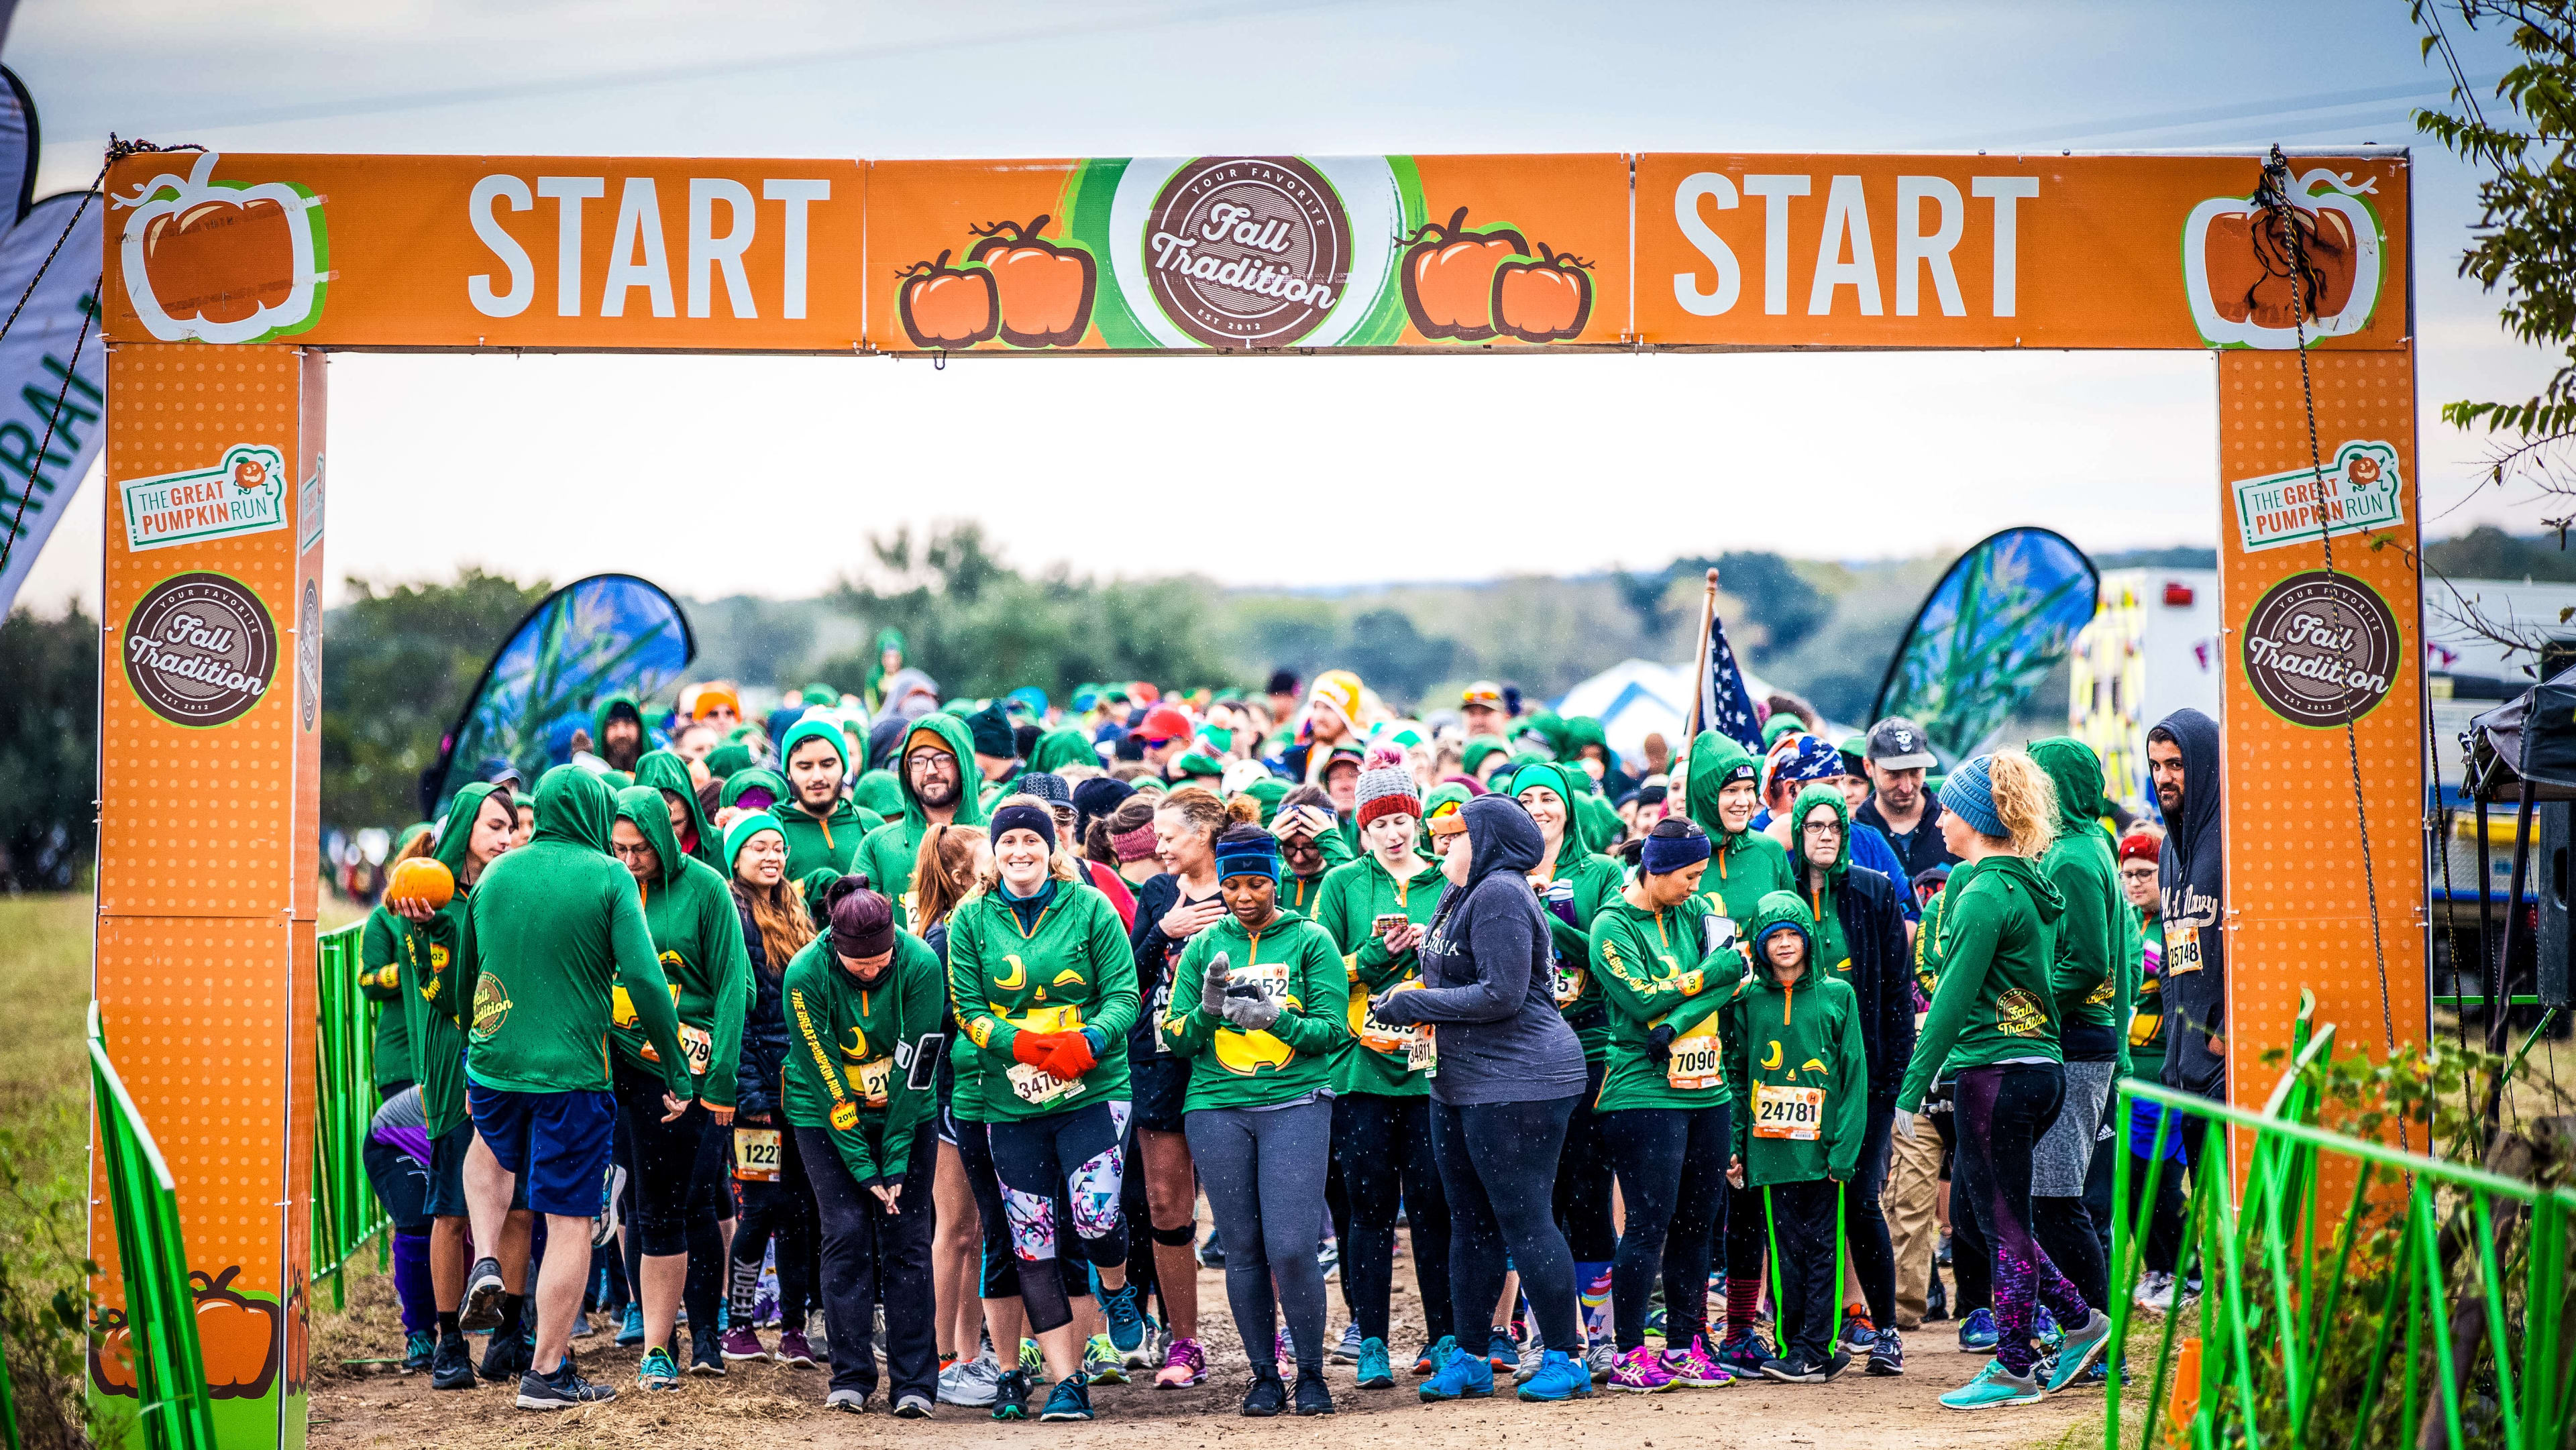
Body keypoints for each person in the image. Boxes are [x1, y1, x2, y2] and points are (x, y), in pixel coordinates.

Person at [453, 767, 695, 1411]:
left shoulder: (497, 874)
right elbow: (645, 981)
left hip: (493, 1060)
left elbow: (464, 978)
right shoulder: (609, 876)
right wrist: (675, 1065)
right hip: (573, 1074)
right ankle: (548, 1371)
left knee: (490, 1154)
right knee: (569, 1221)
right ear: (594, 812)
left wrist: (477, 1034)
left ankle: (486, 1260)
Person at [1893, 752, 2114, 1410]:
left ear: (1979, 818)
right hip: (2041, 1065)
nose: (1938, 815)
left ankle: (2018, 1363)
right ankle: (2077, 1321)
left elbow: (1952, 1001)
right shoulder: (2029, 883)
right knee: (2003, 1220)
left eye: (1950, 807)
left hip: (1995, 1071)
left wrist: (1910, 1092)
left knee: (2001, 1222)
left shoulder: (1986, 892)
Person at [1368, 793, 1594, 1404]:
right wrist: (1415, 991)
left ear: (1487, 840)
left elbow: (1502, 994)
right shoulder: (1457, 892)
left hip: (1521, 1081)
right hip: (1462, 1080)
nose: (1442, 845)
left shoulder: (1500, 894)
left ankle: (1566, 1357)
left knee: (1525, 1220)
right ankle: (1469, 1354)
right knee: (1467, 1222)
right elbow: (1453, 976)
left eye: (1455, 835)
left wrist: (1413, 1003)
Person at [948, 797, 1145, 1423]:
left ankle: (1117, 1287)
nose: (1021, 852)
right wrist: (1023, 1045)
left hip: (1092, 1086)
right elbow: (967, 1009)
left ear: (1050, 848)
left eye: (1032, 841)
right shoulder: (970, 919)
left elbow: (1125, 993)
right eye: (1009, 843)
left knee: (1092, 1216)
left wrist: (1088, 1042)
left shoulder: (1089, 907)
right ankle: (1068, 1382)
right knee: (1031, 1243)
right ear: (995, 851)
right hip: (1012, 1099)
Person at [1159, 825, 1349, 1416]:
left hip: (1295, 1102)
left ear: (1277, 880)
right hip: (1216, 1106)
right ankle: (1263, 1375)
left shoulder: (1310, 940)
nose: (1245, 895)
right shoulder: (1201, 947)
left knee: (1291, 1246)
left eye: (1258, 882)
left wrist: (1276, 1021)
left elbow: (1333, 1031)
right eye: (1234, 883)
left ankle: (1312, 1373)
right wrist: (1207, 1010)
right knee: (1241, 1248)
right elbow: (1174, 1037)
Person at [1588, 816, 1748, 1392]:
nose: (1695, 885)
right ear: (1654, 869)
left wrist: (1681, 1015)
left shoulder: (1697, 910)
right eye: (1688, 875)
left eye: (1700, 874)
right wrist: (1705, 977)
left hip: (1709, 1088)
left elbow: (1740, 978)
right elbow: (1639, 1000)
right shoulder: (1612, 923)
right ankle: (1629, 1352)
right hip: (1642, 1088)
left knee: (1697, 1223)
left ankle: (1684, 1345)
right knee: (1649, 1224)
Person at [782, 881, 949, 1415]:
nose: (874, 972)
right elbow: (825, 1072)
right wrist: (863, 1165)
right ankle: (850, 1375)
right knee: (847, 1232)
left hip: (906, 1108)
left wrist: (895, 1161)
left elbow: (915, 1071)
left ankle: (916, 1385)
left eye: (882, 961)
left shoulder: (920, 963)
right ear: (836, 946)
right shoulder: (805, 974)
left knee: (907, 1238)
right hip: (825, 1113)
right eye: (862, 967)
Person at [1313, 759, 1451, 1386]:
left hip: (1431, 1071)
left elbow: (1475, 966)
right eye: (1379, 825)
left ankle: (1444, 1337)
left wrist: (1432, 953)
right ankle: (1370, 1341)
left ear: (1417, 819)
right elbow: (1318, 972)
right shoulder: (1343, 884)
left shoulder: (1446, 880)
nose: (1393, 834)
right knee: (1366, 1210)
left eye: (1401, 820)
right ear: (1361, 829)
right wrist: (1371, 956)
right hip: (1361, 1072)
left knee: (1433, 1206)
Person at [608, 785, 752, 1385]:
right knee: (649, 1207)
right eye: (618, 848)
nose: (629, 859)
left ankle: (709, 1337)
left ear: (665, 839)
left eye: (640, 848)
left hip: (700, 1073)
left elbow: (733, 984)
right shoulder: (610, 886)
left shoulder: (706, 888)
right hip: (634, 1072)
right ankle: (657, 1348)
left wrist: (716, 1082)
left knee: (701, 1200)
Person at [1781, 783, 1916, 1374]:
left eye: (1834, 825)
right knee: (1804, 1209)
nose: (1826, 836)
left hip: (1869, 1076)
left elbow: (1894, 991)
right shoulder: (1779, 895)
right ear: (1798, 834)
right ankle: (1814, 1341)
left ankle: (1885, 1330)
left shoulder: (1874, 892)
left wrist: (1893, 1080)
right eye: (1813, 826)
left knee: (1861, 1202)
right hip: (1796, 1079)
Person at [389, 783, 518, 1391]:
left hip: (514, 1062)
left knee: (519, 1204)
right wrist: (436, 935)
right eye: (494, 825)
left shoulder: (513, 885)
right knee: (450, 1208)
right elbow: (441, 996)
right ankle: (448, 1342)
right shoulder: (428, 900)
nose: (504, 836)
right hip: (454, 1067)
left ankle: (510, 1334)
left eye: (511, 826)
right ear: (466, 826)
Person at [1722, 891, 1868, 1384]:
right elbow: (1737, 1077)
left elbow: (1853, 1077)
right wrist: (1736, 1145)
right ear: (1760, 945)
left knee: (1825, 1249)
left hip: (1823, 1153)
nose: (1785, 944)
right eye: (1774, 937)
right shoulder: (1748, 1001)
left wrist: (1844, 1149)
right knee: (1784, 1254)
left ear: (1808, 938)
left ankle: (1816, 1347)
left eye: (1793, 935)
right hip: (1771, 1154)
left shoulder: (1837, 995)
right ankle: (1795, 1345)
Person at [1511, 759, 1625, 1372]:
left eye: (1549, 798)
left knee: (1587, 1195)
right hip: (1522, 1058)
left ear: (1569, 807)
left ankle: (1601, 1336)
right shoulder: (1496, 872)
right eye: (1525, 798)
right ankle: (1544, 1335)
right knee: (1538, 1201)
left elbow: (1607, 954)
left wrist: (1544, 915)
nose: (1538, 807)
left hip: (1591, 1048)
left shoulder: (1601, 873)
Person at [911, 824, 1026, 1411]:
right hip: (952, 1101)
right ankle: (938, 1361)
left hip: (980, 1095)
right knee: (954, 1230)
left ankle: (966, 1353)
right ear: (962, 877)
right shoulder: (941, 938)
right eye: (991, 861)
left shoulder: (976, 927)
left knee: (974, 1232)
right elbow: (930, 1034)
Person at [1122, 785, 1233, 1388]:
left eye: (1168, 835)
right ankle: (1183, 1342)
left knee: (1242, 1208)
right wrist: (1163, 930)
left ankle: (1270, 1337)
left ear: (1204, 834)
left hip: (1228, 1060)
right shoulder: (1158, 893)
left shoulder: (1240, 885)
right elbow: (1129, 976)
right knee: (1166, 1206)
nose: (1157, 846)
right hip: (1159, 1059)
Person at [2026, 739, 2130, 1333]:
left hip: (2074, 1042)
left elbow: (2089, 962)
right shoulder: (2092, 843)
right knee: (2058, 1197)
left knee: (2057, 1200)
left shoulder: (2070, 855)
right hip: (2086, 1040)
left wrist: (2029, 1008)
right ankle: (2084, 1325)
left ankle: (2092, 1331)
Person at [717, 813, 824, 1372]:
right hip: (755, 1093)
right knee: (760, 1207)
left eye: (778, 847)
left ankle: (795, 1329)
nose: (772, 856)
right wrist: (751, 1097)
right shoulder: (731, 914)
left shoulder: (795, 910)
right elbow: (740, 1016)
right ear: (735, 857)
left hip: (800, 1092)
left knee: (801, 1211)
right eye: (758, 847)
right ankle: (737, 1324)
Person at [2105, 828, 2190, 1310]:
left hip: (2164, 1074)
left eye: (2145, 874)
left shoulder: (2175, 925)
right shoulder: (2133, 923)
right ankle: (2159, 1269)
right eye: (2128, 874)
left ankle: (2185, 1271)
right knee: (2135, 1178)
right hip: (2133, 1076)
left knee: (2159, 1176)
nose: (2135, 883)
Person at [2149, 708, 2224, 1139]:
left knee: (2228, 1205)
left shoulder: (2234, 840)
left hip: (2223, 1075)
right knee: (2201, 1204)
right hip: (2184, 1072)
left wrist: (2225, 1038)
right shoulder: (2169, 850)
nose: (2163, 778)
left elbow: (2259, 950)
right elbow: (2171, 950)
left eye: (2175, 765)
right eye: (2156, 766)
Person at [856, 713, 994, 928]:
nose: (930, 771)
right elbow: (859, 925)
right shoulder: (879, 844)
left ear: (963, 762)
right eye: (918, 761)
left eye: (942, 759)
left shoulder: (999, 835)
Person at [1680, 730, 1799, 932]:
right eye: (1731, 790)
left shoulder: (1770, 852)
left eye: (1749, 789)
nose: (1744, 802)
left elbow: (1796, 932)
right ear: (1706, 795)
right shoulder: (1676, 858)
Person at [774, 717, 884, 879]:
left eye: (827, 764)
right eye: (805, 767)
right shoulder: (773, 830)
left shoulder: (872, 826)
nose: (817, 777)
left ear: (844, 767)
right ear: (788, 772)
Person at [1854, 718, 1956, 884]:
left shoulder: (1954, 821)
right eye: (1893, 773)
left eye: (1915, 771)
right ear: (1868, 766)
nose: (1907, 787)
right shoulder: (1856, 833)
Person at [635, 748, 723, 873]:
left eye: (677, 823)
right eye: (661, 823)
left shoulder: (718, 848)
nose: (670, 833)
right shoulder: (625, 854)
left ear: (691, 813)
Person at [1271, 785, 1352, 915]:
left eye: (1310, 848)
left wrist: (1331, 838)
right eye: (1290, 847)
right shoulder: (1273, 877)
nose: (1299, 859)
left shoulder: (1336, 878)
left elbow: (1353, 881)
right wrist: (1268, 841)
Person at [594, 692, 649, 774]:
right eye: (613, 725)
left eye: (628, 723)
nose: (621, 733)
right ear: (602, 731)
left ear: (640, 728)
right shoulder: (592, 776)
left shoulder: (655, 773)